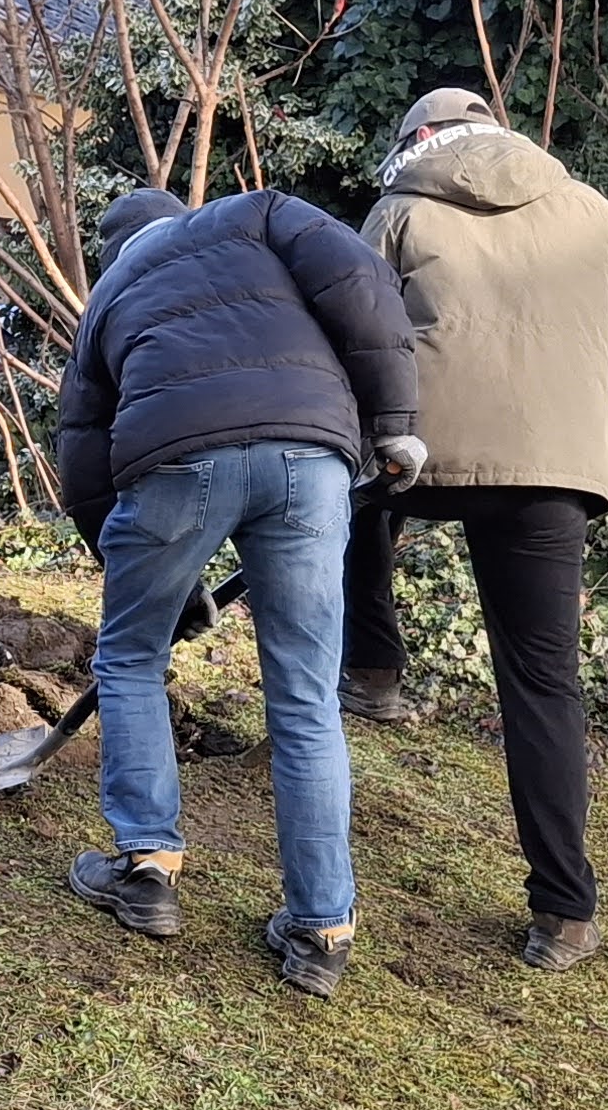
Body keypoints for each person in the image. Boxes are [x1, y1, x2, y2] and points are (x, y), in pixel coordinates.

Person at [53, 185, 424, 996]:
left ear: (117, 251)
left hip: (174, 464)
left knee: (130, 659)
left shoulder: (110, 293)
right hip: (311, 461)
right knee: (305, 697)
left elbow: (83, 453)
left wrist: (152, 582)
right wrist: (395, 420)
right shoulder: (257, 215)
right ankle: (322, 926)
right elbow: (356, 279)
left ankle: (146, 869)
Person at [345, 88, 608, 971]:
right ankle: (563, 912)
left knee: (353, 507)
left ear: (418, 140)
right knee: (542, 683)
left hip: (422, 453)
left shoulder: (399, 208)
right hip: (553, 470)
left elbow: (358, 336)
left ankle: (373, 671)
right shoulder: (590, 209)